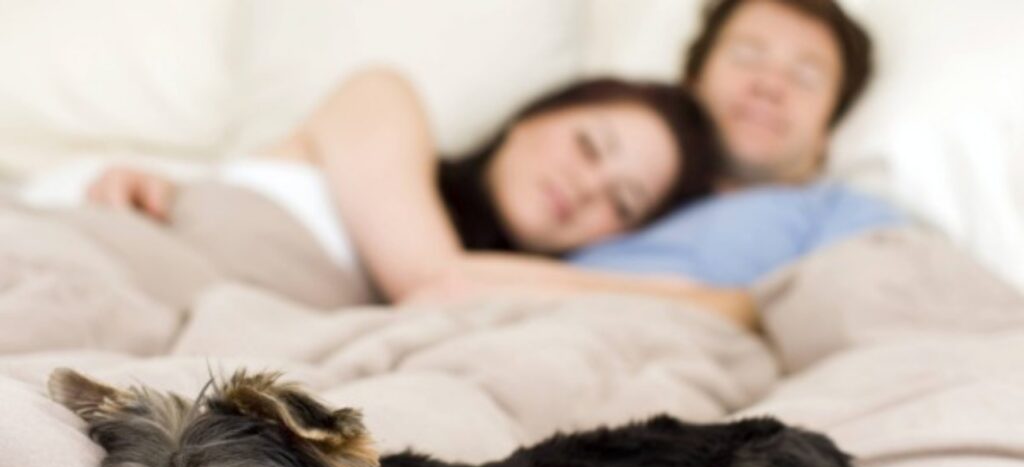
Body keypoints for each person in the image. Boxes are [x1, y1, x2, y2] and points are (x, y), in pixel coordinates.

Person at [87, 74, 759, 330]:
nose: (587, 188)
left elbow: (446, 288)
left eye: (623, 201)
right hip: (103, 261)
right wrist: (699, 299)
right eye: (589, 146)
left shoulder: (490, 303)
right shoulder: (387, 100)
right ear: (533, 117)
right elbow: (437, 279)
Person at [570, 0, 906, 286]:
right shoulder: (614, 185)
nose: (771, 85)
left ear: (827, 132)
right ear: (692, 81)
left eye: (805, 78)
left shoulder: (851, 218)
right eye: (747, 56)